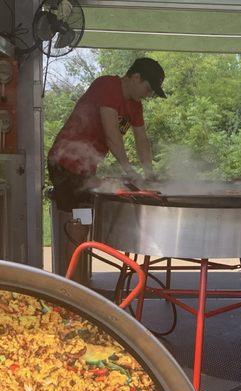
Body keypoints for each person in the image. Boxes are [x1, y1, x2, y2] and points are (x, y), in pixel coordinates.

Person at [47, 57, 166, 281]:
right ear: (135, 77)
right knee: (78, 218)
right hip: (65, 163)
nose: (148, 95)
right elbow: (113, 137)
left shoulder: (135, 106)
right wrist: (130, 172)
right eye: (148, 89)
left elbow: (142, 140)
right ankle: (68, 284)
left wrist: (149, 173)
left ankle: (76, 281)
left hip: (85, 168)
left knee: (83, 218)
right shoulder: (108, 86)